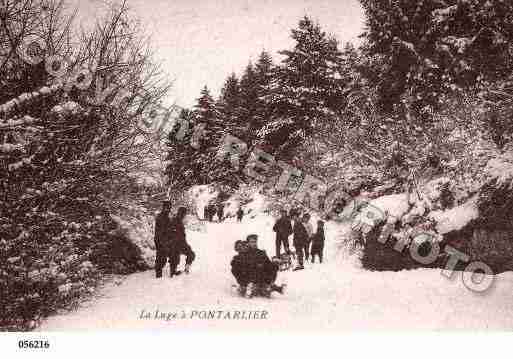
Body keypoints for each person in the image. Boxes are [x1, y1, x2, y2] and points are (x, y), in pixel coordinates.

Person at [168, 206, 196, 276]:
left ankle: (177, 270)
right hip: (177, 243)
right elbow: (173, 233)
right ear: (182, 213)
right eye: (184, 214)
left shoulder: (177, 220)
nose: (185, 215)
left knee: (189, 255)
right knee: (189, 255)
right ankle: (175, 271)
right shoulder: (176, 220)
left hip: (178, 243)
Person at [154, 201, 174, 278]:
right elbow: (161, 231)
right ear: (164, 207)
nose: (168, 209)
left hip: (165, 240)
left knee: (164, 257)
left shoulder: (167, 217)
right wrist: (163, 242)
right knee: (161, 257)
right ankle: (158, 275)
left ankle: (170, 272)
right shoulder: (161, 217)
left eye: (169, 207)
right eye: (167, 207)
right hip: (160, 240)